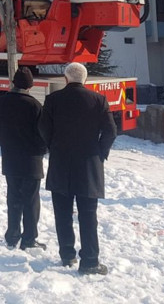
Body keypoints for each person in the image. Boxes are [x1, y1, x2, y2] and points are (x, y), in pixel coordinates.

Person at [39, 62, 117, 275]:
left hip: (61, 162)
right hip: (89, 165)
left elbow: (43, 128)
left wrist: (53, 145)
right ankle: (90, 261)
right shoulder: (99, 100)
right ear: (85, 78)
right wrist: (100, 153)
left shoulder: (52, 100)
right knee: (88, 214)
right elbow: (110, 131)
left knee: (62, 212)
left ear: (66, 79)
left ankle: (66, 254)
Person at [0, 67, 48, 251]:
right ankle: (29, 238)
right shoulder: (35, 105)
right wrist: (41, 149)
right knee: (31, 200)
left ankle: (12, 235)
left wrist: (2, 143)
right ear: (31, 85)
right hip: (31, 160)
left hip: (10, 158)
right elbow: (43, 133)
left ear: (13, 82)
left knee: (13, 197)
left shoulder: (0, 103)